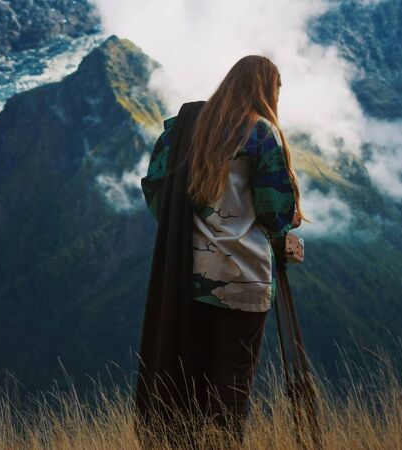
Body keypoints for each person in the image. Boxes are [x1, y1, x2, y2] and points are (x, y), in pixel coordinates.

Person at [135, 55, 305, 445]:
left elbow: (156, 189)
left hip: (188, 277)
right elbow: (272, 208)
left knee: (187, 384)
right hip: (244, 281)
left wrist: (189, 228)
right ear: (266, 89)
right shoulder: (261, 133)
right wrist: (287, 234)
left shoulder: (181, 129)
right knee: (230, 393)